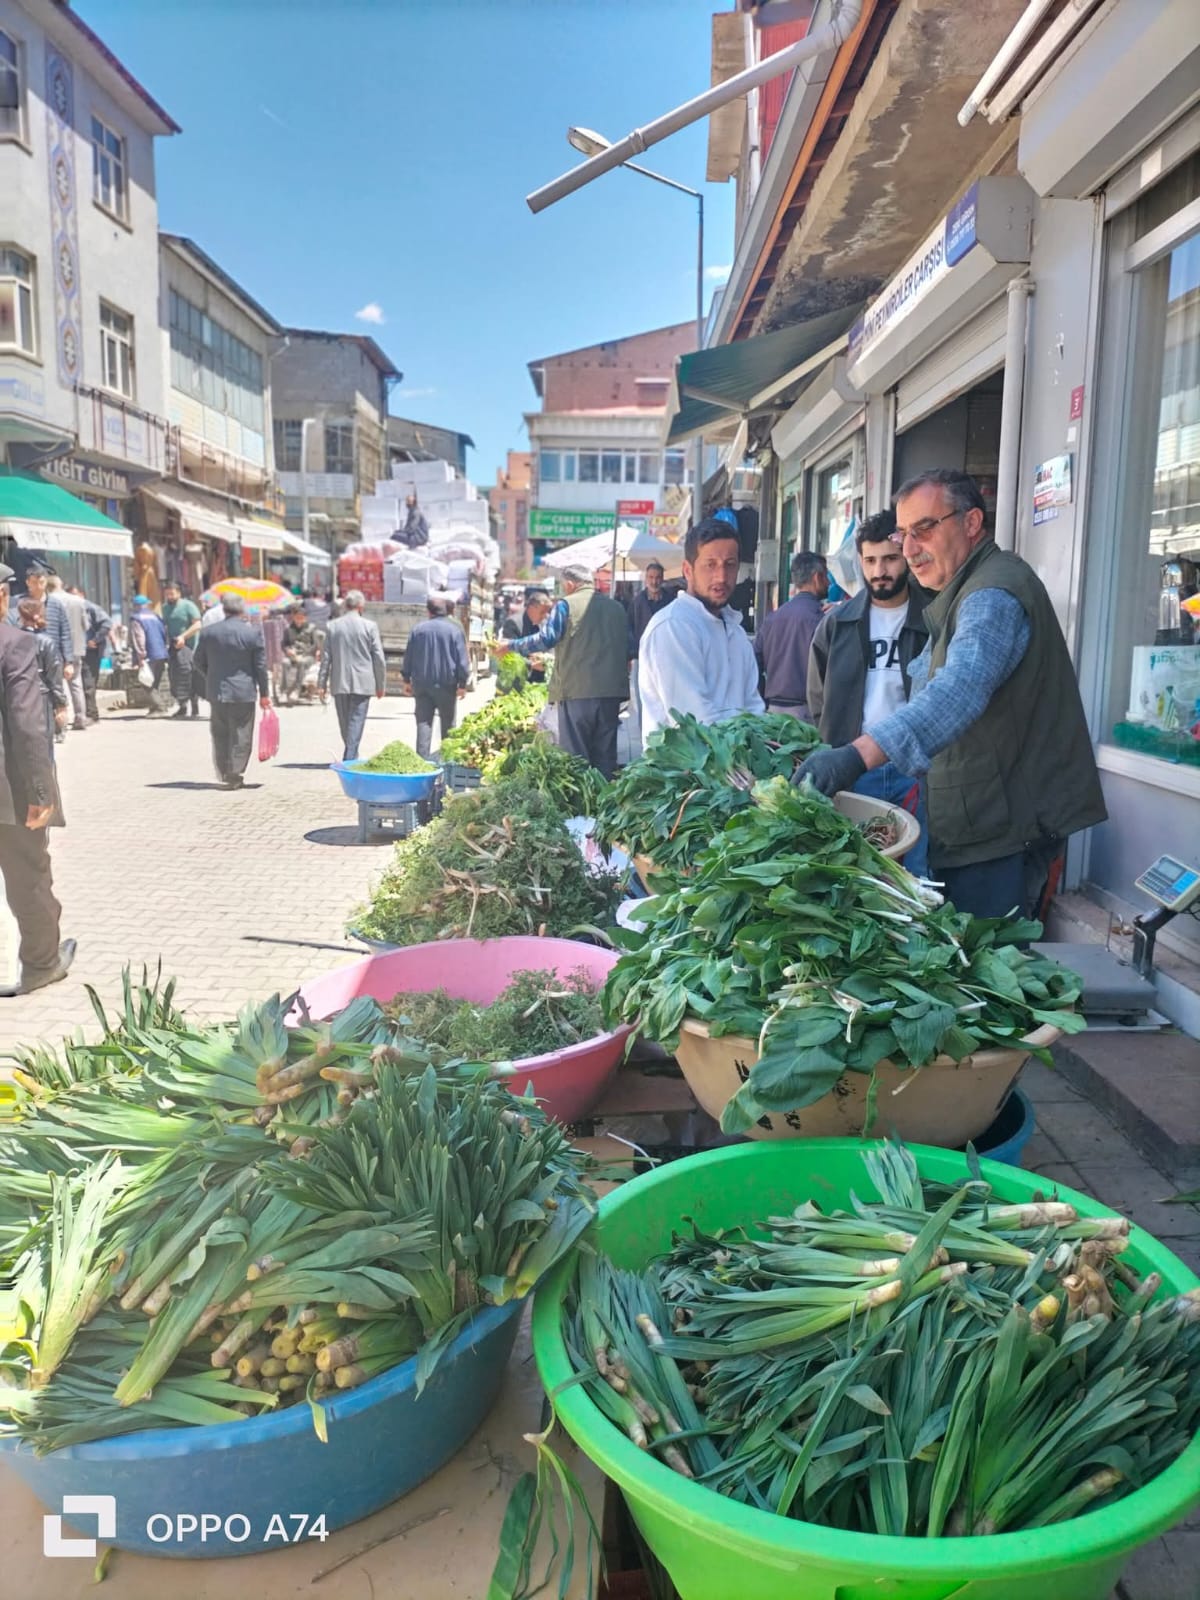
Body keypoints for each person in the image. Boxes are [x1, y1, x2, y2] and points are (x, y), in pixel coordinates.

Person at [793, 469, 1107, 918]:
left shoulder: (992, 595)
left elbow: (957, 692)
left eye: (924, 529)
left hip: (1000, 835)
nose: (909, 549)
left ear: (971, 522)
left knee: (989, 968)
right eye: (904, 534)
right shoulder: (958, 592)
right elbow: (928, 681)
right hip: (976, 825)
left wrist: (857, 755)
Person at [806, 509, 930, 876]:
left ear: (906, 554)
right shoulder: (836, 623)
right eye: (871, 560)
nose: (880, 571)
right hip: (856, 768)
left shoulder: (934, 618)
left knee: (918, 873)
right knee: (857, 873)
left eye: (890, 559)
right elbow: (818, 697)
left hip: (917, 772)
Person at [0, 560, 74, 997]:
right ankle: (42, 964)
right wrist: (41, 792)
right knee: (29, 876)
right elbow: (29, 725)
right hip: (9, 793)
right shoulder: (14, 644)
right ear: (3, 595)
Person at [496, 564, 629, 778]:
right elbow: (629, 649)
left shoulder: (566, 605)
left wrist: (510, 646)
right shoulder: (617, 608)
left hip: (576, 693)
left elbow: (546, 638)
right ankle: (604, 808)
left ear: (569, 584)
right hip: (611, 695)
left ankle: (580, 809)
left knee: (576, 760)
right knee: (605, 760)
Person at [639, 516, 764, 741]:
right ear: (688, 570)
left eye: (730, 564)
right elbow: (693, 721)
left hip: (737, 768)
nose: (721, 576)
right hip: (685, 773)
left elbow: (753, 708)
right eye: (710, 564)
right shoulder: (674, 627)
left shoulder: (736, 632)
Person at [191, 593, 271, 789]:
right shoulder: (252, 633)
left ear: (224, 609)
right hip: (244, 691)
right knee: (241, 732)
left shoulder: (209, 632)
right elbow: (260, 666)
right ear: (242, 609)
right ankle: (235, 772)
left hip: (217, 690)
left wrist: (211, 675)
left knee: (220, 732)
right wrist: (265, 693)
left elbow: (197, 660)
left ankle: (225, 771)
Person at [753, 551, 829, 721]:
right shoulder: (822, 620)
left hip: (771, 711)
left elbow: (753, 662)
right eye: (826, 577)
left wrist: (762, 701)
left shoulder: (771, 619)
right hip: (808, 713)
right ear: (817, 577)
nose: (829, 582)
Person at [319, 589, 386, 761]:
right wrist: (380, 685)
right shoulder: (370, 626)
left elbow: (326, 658)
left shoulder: (333, 626)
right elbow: (378, 658)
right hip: (363, 682)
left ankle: (350, 755)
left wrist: (322, 684)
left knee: (345, 723)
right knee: (356, 721)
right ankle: (351, 755)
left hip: (339, 681)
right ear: (361, 606)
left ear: (346, 605)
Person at [402, 596, 470, 759]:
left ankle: (421, 762)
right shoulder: (454, 631)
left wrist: (406, 680)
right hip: (447, 685)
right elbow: (462, 660)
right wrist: (462, 684)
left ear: (428, 612)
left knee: (423, 723)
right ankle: (447, 762)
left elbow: (408, 657)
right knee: (448, 725)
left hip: (422, 684)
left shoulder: (418, 630)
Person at [16, 598, 69, 747]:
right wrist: (61, 704)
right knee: (44, 745)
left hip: (17, 696)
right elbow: (54, 675)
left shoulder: (12, 639)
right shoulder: (45, 641)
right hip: (41, 697)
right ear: (39, 615)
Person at [11, 564, 73, 689]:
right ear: (28, 582)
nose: (39, 586)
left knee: (57, 693)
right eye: (34, 582)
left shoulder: (56, 604)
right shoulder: (17, 603)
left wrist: (69, 662)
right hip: (26, 659)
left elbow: (65, 633)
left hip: (54, 659)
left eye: (42, 582)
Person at [45, 575, 89, 731]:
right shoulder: (78, 601)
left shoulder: (49, 601)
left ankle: (63, 719)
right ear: (60, 584)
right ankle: (80, 718)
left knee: (59, 684)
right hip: (76, 647)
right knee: (76, 684)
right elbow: (86, 625)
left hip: (55, 647)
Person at [161, 579, 202, 719]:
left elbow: (197, 625)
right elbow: (164, 626)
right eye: (167, 594)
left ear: (179, 593)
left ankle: (195, 706)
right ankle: (182, 706)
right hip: (174, 648)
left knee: (189, 676)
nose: (170, 597)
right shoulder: (165, 608)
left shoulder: (188, 606)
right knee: (176, 677)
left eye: (172, 594)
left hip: (189, 647)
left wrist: (183, 637)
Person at [500, 586, 552, 685]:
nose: (545, 616)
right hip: (519, 681)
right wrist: (532, 664)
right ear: (531, 608)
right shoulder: (513, 623)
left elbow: (553, 647)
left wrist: (546, 658)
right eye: (542, 612)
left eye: (547, 612)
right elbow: (508, 654)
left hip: (542, 682)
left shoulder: (547, 622)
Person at [74, 587, 110, 725]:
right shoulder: (69, 608)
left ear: (82, 595)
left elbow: (107, 624)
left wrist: (95, 640)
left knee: (89, 682)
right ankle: (85, 713)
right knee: (80, 683)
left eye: (75, 595)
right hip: (77, 650)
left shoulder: (91, 608)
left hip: (91, 651)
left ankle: (92, 714)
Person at [129, 595, 171, 715]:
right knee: (155, 681)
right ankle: (155, 707)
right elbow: (164, 633)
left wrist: (140, 656)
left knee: (146, 682)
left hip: (149, 654)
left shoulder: (136, 618)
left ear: (136, 606)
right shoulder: (155, 616)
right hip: (161, 653)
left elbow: (139, 638)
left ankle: (160, 706)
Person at [279, 602, 321, 706]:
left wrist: (303, 654)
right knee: (284, 662)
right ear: (293, 617)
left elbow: (315, 645)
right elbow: (284, 644)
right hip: (292, 655)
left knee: (301, 662)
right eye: (297, 618)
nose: (299, 620)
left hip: (307, 656)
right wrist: (288, 651)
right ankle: (284, 691)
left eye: (301, 618)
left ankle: (297, 690)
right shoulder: (288, 629)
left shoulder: (311, 629)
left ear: (305, 618)